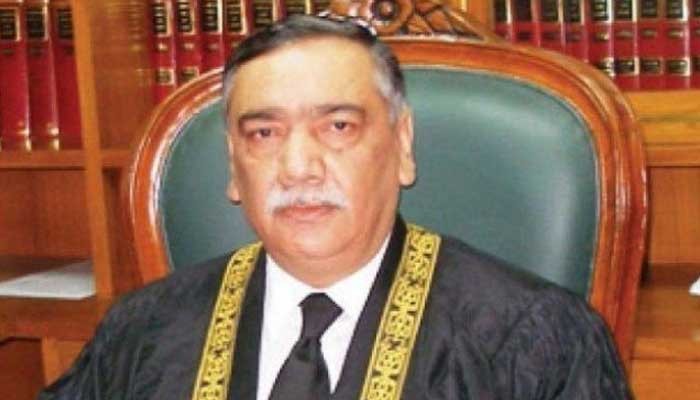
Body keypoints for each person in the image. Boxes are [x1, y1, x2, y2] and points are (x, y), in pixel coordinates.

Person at [39, 15, 632, 400]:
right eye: (264, 134)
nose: (299, 167)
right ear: (234, 167)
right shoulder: (143, 333)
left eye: (338, 126)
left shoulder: (528, 341)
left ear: (402, 145)